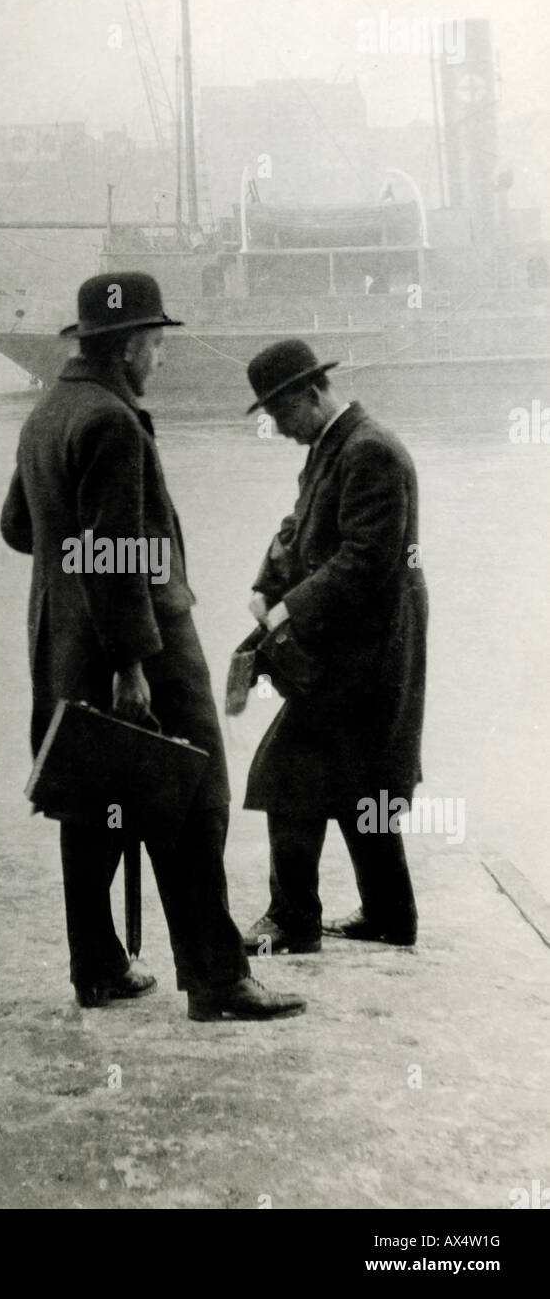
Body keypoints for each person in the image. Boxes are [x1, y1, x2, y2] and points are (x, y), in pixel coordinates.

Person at [0, 273, 305, 1022]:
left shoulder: (47, 413)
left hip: (61, 645)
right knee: (194, 801)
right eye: (158, 343)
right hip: (145, 648)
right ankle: (216, 980)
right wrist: (132, 663)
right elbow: (113, 557)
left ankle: (97, 967)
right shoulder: (111, 422)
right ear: (132, 346)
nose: (161, 357)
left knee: (91, 800)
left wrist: (72, 577)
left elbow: (18, 528)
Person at [241, 339, 428, 954]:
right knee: (363, 781)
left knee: (286, 774)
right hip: (354, 647)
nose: (277, 425)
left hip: (369, 652)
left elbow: (366, 560)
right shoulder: (333, 446)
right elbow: (298, 527)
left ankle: (293, 921)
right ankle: (389, 917)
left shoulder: (369, 451)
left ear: (311, 393)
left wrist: (291, 607)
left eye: (279, 411)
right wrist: (266, 584)